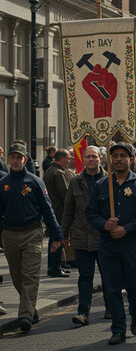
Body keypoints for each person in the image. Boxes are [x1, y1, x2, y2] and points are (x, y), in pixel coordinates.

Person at [85, 142, 136, 345]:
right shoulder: (101, 185)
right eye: (114, 155)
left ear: (131, 159)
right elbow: (90, 212)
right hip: (108, 245)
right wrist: (104, 224)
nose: (118, 159)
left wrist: (126, 229)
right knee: (111, 288)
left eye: (123, 155)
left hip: (133, 243)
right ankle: (118, 329)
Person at [0, 142, 62, 332]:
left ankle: (25, 315)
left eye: (20, 157)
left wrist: (57, 234)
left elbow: (47, 209)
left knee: (30, 276)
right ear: (8, 159)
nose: (16, 160)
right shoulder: (3, 183)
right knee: (17, 277)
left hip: (32, 234)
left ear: (25, 159)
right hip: (10, 235)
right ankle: (30, 309)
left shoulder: (35, 181)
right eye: (13, 157)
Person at [62, 146, 111, 325]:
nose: (91, 160)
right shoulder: (76, 181)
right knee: (85, 277)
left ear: (101, 159)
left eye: (94, 157)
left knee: (108, 276)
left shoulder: (110, 180)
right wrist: (64, 234)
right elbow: (68, 210)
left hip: (105, 237)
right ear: (83, 159)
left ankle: (110, 308)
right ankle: (83, 312)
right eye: (88, 157)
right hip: (82, 237)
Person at [43, 149, 73, 278]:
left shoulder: (50, 171)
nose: (69, 160)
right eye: (68, 158)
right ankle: (55, 267)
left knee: (55, 239)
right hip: (60, 211)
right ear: (61, 158)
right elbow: (65, 195)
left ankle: (55, 266)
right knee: (57, 239)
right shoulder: (59, 173)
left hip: (53, 209)